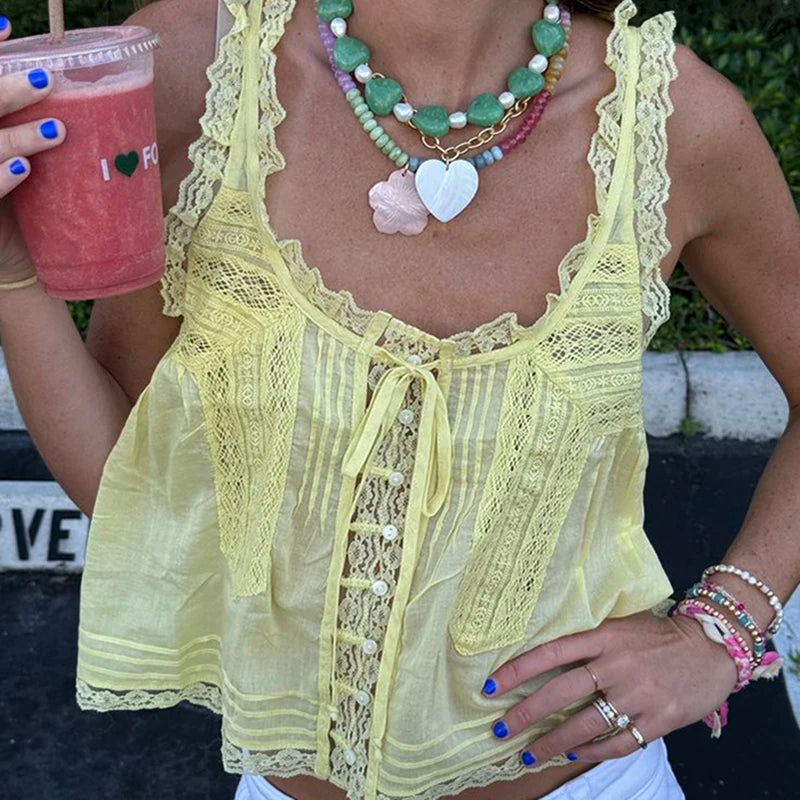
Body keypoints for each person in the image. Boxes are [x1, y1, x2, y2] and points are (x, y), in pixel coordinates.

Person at [0, 1, 797, 799]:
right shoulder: (190, 66)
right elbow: (127, 475)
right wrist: (8, 268)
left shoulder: (677, 123)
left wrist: (719, 632)